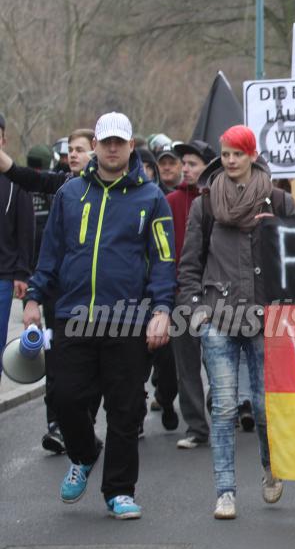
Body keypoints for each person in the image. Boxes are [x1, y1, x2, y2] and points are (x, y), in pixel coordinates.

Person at [23, 112, 176, 520]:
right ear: (95, 146)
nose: (111, 148)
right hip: (73, 315)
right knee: (66, 398)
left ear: (130, 146)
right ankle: (85, 453)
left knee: (126, 409)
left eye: (118, 142)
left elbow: (163, 259)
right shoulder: (70, 194)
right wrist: (34, 299)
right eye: (105, 141)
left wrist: (162, 309)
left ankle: (119, 490)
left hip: (128, 320)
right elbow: (50, 252)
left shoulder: (152, 198)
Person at [178, 125, 295, 519]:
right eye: (225, 153)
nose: (230, 160)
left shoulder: (277, 199)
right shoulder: (207, 203)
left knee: (264, 407)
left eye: (237, 154)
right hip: (218, 315)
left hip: (266, 316)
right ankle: (225, 491)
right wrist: (194, 306)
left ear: (251, 155)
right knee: (226, 406)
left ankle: (271, 468)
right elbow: (190, 262)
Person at [0, 128, 95, 453]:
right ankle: (57, 425)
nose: (73, 154)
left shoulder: (125, 193)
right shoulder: (63, 185)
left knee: (94, 372)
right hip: (58, 297)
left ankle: (87, 428)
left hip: (101, 301)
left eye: (80, 149)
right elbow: (22, 175)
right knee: (56, 364)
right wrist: (33, 297)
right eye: (70, 149)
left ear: (95, 151)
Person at [167, 140, 216, 448]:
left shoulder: (218, 200)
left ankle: (222, 411)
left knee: (217, 360)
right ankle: (196, 426)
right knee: (186, 366)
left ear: (207, 169)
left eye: (193, 163)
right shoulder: (170, 201)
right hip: (181, 292)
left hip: (215, 295)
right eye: (183, 163)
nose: (185, 168)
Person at [0, 113, 34, 372]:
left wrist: (22, 272)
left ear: (3, 139)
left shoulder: (16, 180)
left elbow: (26, 229)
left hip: (3, 275)